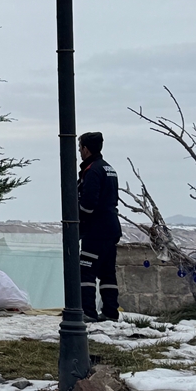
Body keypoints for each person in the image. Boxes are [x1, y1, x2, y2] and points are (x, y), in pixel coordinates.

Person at [78, 131, 122, 321]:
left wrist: (78, 220)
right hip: (111, 229)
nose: (79, 151)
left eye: (80, 148)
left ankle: (87, 312)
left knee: (86, 272)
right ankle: (110, 312)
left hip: (96, 231)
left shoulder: (92, 170)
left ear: (86, 149)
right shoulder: (108, 168)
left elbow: (88, 203)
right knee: (107, 273)